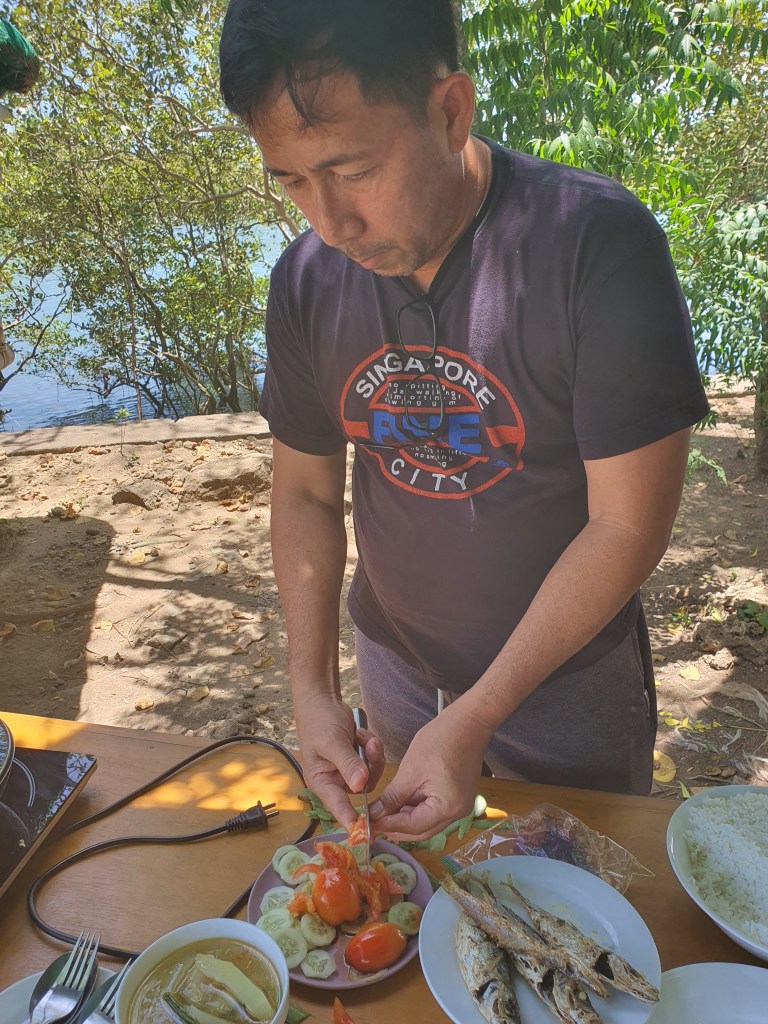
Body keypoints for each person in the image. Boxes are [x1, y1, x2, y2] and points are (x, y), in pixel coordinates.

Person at [218, 0, 709, 840]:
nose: (330, 223)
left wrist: (479, 711)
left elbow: (627, 523)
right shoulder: (305, 281)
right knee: (420, 877)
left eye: (351, 170)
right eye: (292, 181)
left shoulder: (595, 245)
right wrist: (313, 689)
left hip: (567, 678)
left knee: (580, 882)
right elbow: (305, 493)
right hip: (396, 659)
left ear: (450, 111)